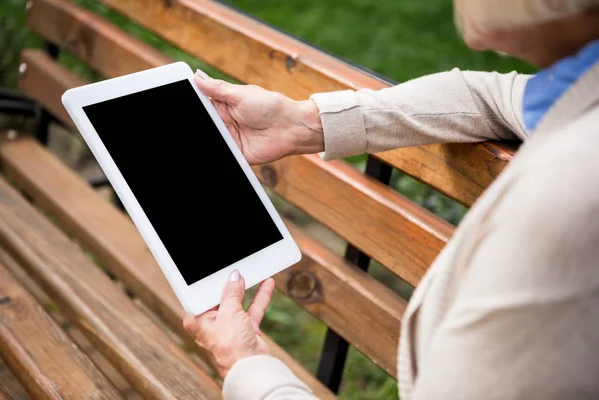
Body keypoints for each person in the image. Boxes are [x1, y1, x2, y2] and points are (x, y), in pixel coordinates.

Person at [183, 0, 599, 398]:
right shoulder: (581, 88)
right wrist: (302, 123)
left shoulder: (569, 204)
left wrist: (244, 365)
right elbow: (494, 96)